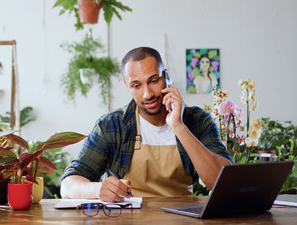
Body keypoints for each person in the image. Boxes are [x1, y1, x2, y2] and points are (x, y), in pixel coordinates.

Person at [61, 47, 233, 202]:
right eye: (136, 85)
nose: (147, 94)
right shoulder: (111, 125)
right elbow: (68, 184)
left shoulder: (198, 120)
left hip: (183, 222)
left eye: (153, 81)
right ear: (127, 86)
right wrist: (98, 189)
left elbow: (226, 184)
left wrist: (179, 126)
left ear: (166, 77)